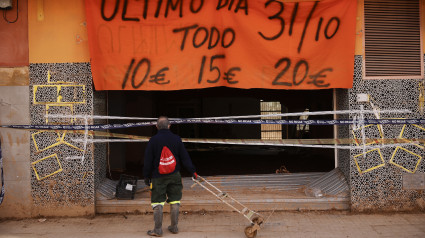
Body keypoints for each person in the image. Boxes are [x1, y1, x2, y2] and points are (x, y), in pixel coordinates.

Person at [143, 116, 198, 237]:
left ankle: (158, 230)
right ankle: (174, 227)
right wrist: (192, 171)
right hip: (175, 175)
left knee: (157, 202)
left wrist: (146, 176)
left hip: (158, 176)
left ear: (157, 127)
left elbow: (147, 160)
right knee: (175, 200)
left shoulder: (153, 140)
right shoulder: (176, 139)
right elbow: (185, 157)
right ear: (169, 126)